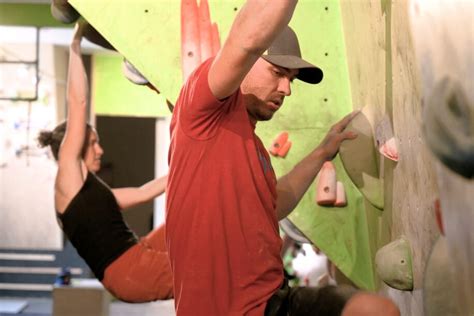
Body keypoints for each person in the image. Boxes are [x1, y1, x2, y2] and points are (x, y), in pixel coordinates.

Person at [166, 1, 400, 315]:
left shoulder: (254, 146)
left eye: (291, 78)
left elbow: (273, 204)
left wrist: (321, 153)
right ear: (246, 63)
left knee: (375, 310)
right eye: (278, 73)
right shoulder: (201, 110)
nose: (286, 89)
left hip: (273, 301)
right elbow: (247, 38)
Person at [37, 23, 172, 303]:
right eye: (93, 143)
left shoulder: (92, 193)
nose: (100, 149)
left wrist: (188, 169)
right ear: (74, 147)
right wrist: (76, 43)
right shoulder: (68, 178)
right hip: (128, 272)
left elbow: (144, 192)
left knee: (181, 224)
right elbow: (78, 101)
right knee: (211, 270)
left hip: (136, 256)